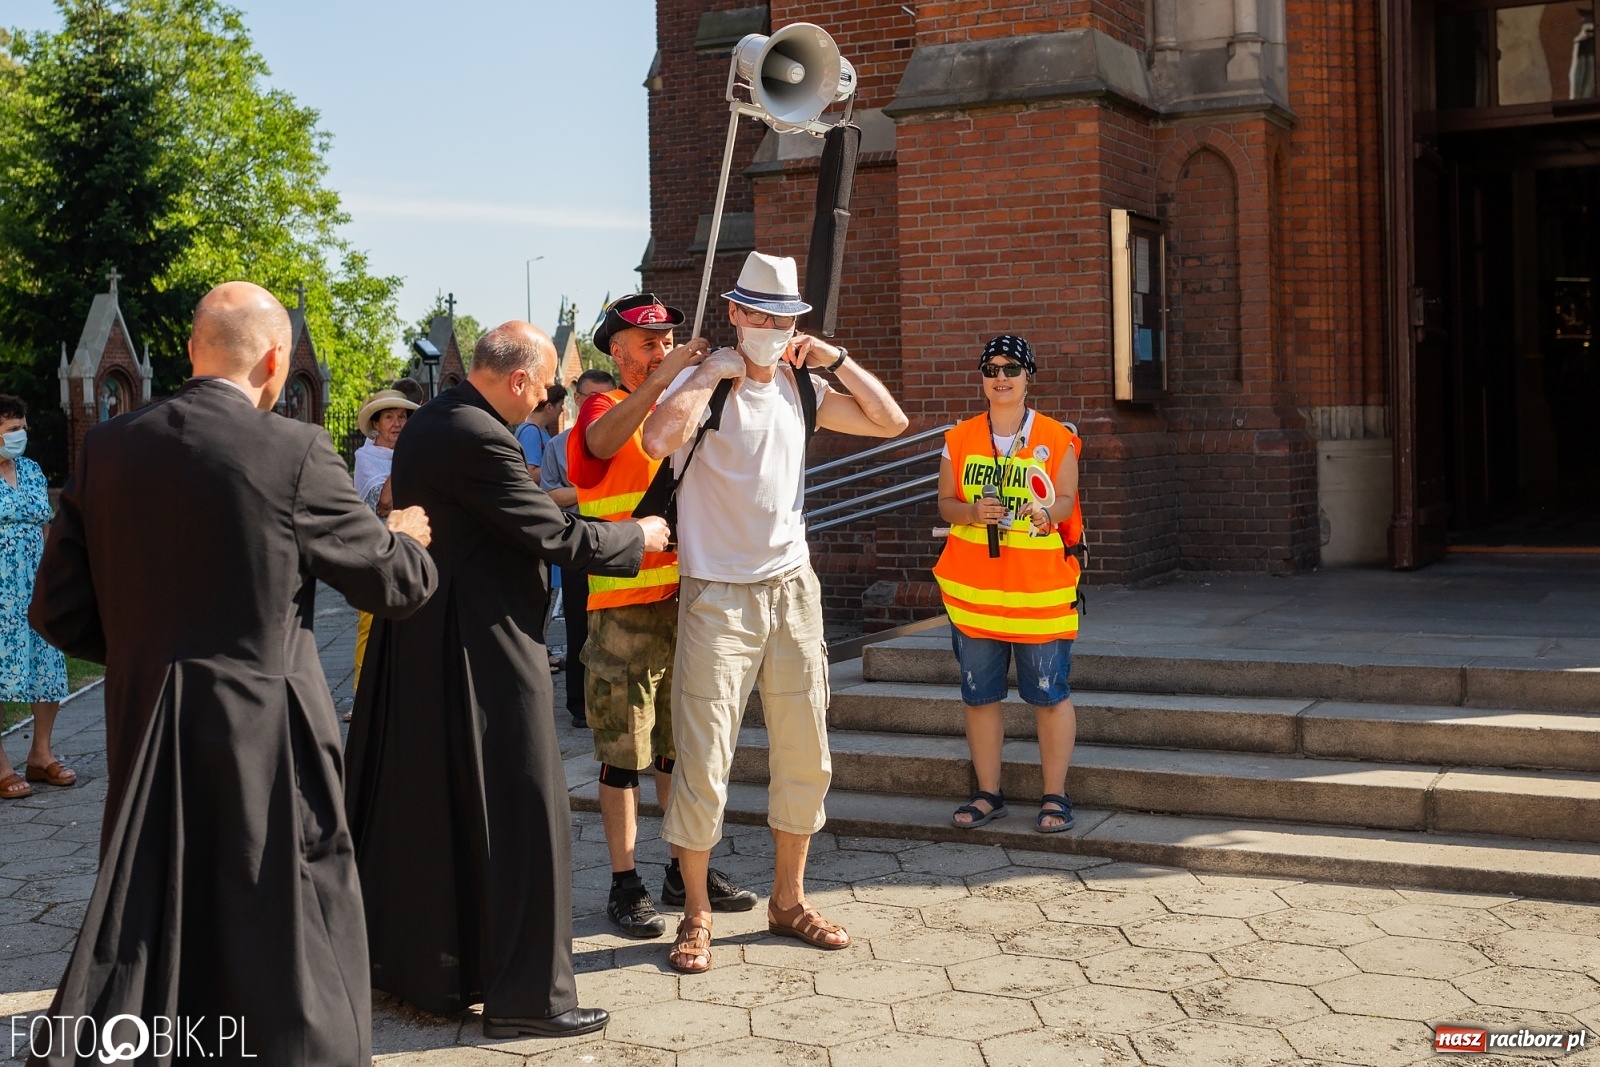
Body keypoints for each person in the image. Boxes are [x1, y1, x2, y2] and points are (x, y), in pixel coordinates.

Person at [28, 281, 437, 1065]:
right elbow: (393, 585)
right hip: (266, 729)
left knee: (156, 905)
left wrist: (151, 648)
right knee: (287, 914)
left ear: (190, 351)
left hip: (145, 716)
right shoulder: (294, 450)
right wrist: (406, 535)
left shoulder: (108, 447)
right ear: (277, 361)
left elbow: (58, 608)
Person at [345, 322, 669, 1038]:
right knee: (528, 815)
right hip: (486, 648)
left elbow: (489, 515)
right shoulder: (482, 436)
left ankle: (429, 974)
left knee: (438, 812)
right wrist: (636, 536)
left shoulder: (434, 419)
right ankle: (528, 997)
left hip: (428, 642)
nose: (550, 396)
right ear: (519, 379)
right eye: (549, 384)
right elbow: (550, 537)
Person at [641, 251, 908, 974]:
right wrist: (707, 372)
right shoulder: (712, 388)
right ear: (733, 312)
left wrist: (836, 358)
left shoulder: (803, 384)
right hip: (716, 594)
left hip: (792, 587)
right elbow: (655, 440)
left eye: (781, 317)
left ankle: (787, 899)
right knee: (704, 755)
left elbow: (891, 420)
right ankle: (695, 912)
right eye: (756, 314)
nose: (766, 327)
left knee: (804, 750)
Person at [573, 294, 756, 941]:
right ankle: (625, 881)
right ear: (617, 352)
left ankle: (685, 867)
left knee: (681, 748)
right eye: (648, 344)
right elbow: (600, 443)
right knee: (623, 752)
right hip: (623, 604)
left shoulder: (681, 402)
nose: (662, 351)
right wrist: (662, 376)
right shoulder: (600, 405)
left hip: (685, 599)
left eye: (668, 341)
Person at [933, 335, 1083, 834]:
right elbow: (946, 506)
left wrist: (1046, 512)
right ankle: (987, 794)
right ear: (982, 377)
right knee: (979, 695)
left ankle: (1056, 796)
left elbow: (1065, 500)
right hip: (975, 595)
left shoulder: (1057, 437)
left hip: (1037, 592)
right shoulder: (960, 438)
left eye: (1011, 370)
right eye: (992, 369)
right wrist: (973, 512)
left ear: (1027, 377)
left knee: (1048, 694)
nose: (1001, 378)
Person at [0, 394, 72, 800]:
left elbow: (45, 526)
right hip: (0, 593)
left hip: (34, 587)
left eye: (23, 428)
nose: (21, 436)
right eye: (11, 430)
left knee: (46, 666)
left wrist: (53, 581)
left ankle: (40, 755)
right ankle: (1, 765)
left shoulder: (31, 470)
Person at [540, 368, 615, 727]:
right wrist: (596, 491)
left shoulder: (631, 439)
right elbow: (551, 497)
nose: (599, 407)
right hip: (578, 544)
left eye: (608, 399)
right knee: (578, 626)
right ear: (578, 401)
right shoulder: (558, 446)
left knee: (617, 625)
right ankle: (580, 705)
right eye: (590, 399)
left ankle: (616, 700)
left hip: (621, 544)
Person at [352, 389, 419, 696]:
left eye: (403, 417)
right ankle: (363, 695)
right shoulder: (367, 459)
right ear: (376, 424)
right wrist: (406, 455)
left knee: (408, 627)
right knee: (372, 626)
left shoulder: (409, 453)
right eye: (389, 417)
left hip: (409, 551)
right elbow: (384, 503)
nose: (397, 423)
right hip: (376, 554)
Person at [517, 381, 566, 484]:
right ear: (549, 407)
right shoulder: (531, 432)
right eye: (560, 406)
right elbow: (531, 474)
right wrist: (563, 468)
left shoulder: (540, 430)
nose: (562, 410)